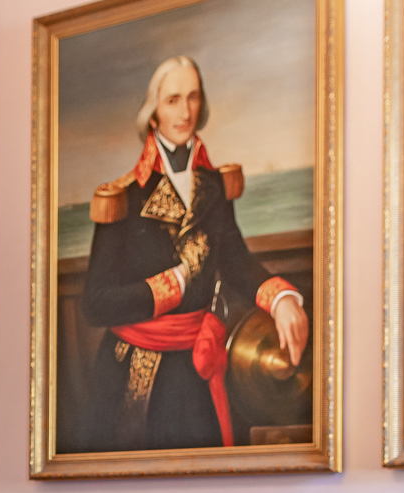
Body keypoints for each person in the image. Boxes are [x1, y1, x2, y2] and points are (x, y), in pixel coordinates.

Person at [77, 55, 310, 452]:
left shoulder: (215, 185)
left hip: (196, 365)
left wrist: (282, 299)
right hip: (135, 375)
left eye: (193, 98)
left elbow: (235, 259)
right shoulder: (122, 197)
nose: (185, 112)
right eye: (172, 101)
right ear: (153, 115)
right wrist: (172, 285)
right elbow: (95, 304)